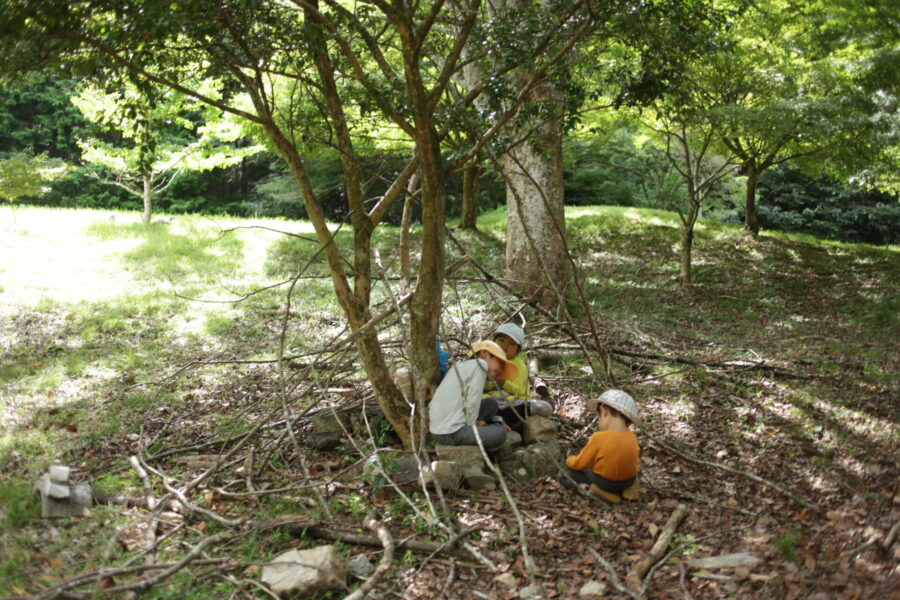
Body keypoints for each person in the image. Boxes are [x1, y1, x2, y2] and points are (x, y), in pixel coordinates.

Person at [429, 340, 519, 454]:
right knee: (500, 434)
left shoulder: (462, 366)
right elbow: (473, 400)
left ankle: (486, 427)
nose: (501, 370)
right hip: (450, 431)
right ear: (485, 354)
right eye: (500, 363)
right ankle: (487, 439)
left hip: (444, 425)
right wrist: (474, 425)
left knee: (491, 403)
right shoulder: (481, 364)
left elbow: (468, 401)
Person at [558, 389, 640, 501]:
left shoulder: (599, 437)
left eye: (598, 417)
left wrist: (569, 460)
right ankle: (629, 490)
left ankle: (597, 491)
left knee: (565, 472)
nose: (598, 421)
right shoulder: (632, 437)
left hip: (606, 483)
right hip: (627, 481)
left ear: (604, 411)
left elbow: (580, 464)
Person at [484, 323, 552, 430]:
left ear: (518, 350)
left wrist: (504, 383)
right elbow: (483, 388)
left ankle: (501, 419)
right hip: (491, 402)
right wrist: (488, 380)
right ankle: (500, 419)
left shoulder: (519, 365)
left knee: (545, 407)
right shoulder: (487, 361)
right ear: (494, 342)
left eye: (511, 344)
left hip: (514, 402)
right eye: (501, 340)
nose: (505, 346)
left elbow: (519, 390)